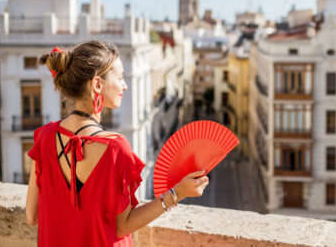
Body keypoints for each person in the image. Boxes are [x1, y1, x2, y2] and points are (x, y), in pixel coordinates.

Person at [25, 40, 209, 246]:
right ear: (97, 84)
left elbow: (32, 217)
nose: (125, 85)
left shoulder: (44, 137)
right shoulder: (115, 148)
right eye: (120, 77)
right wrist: (178, 193)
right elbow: (123, 225)